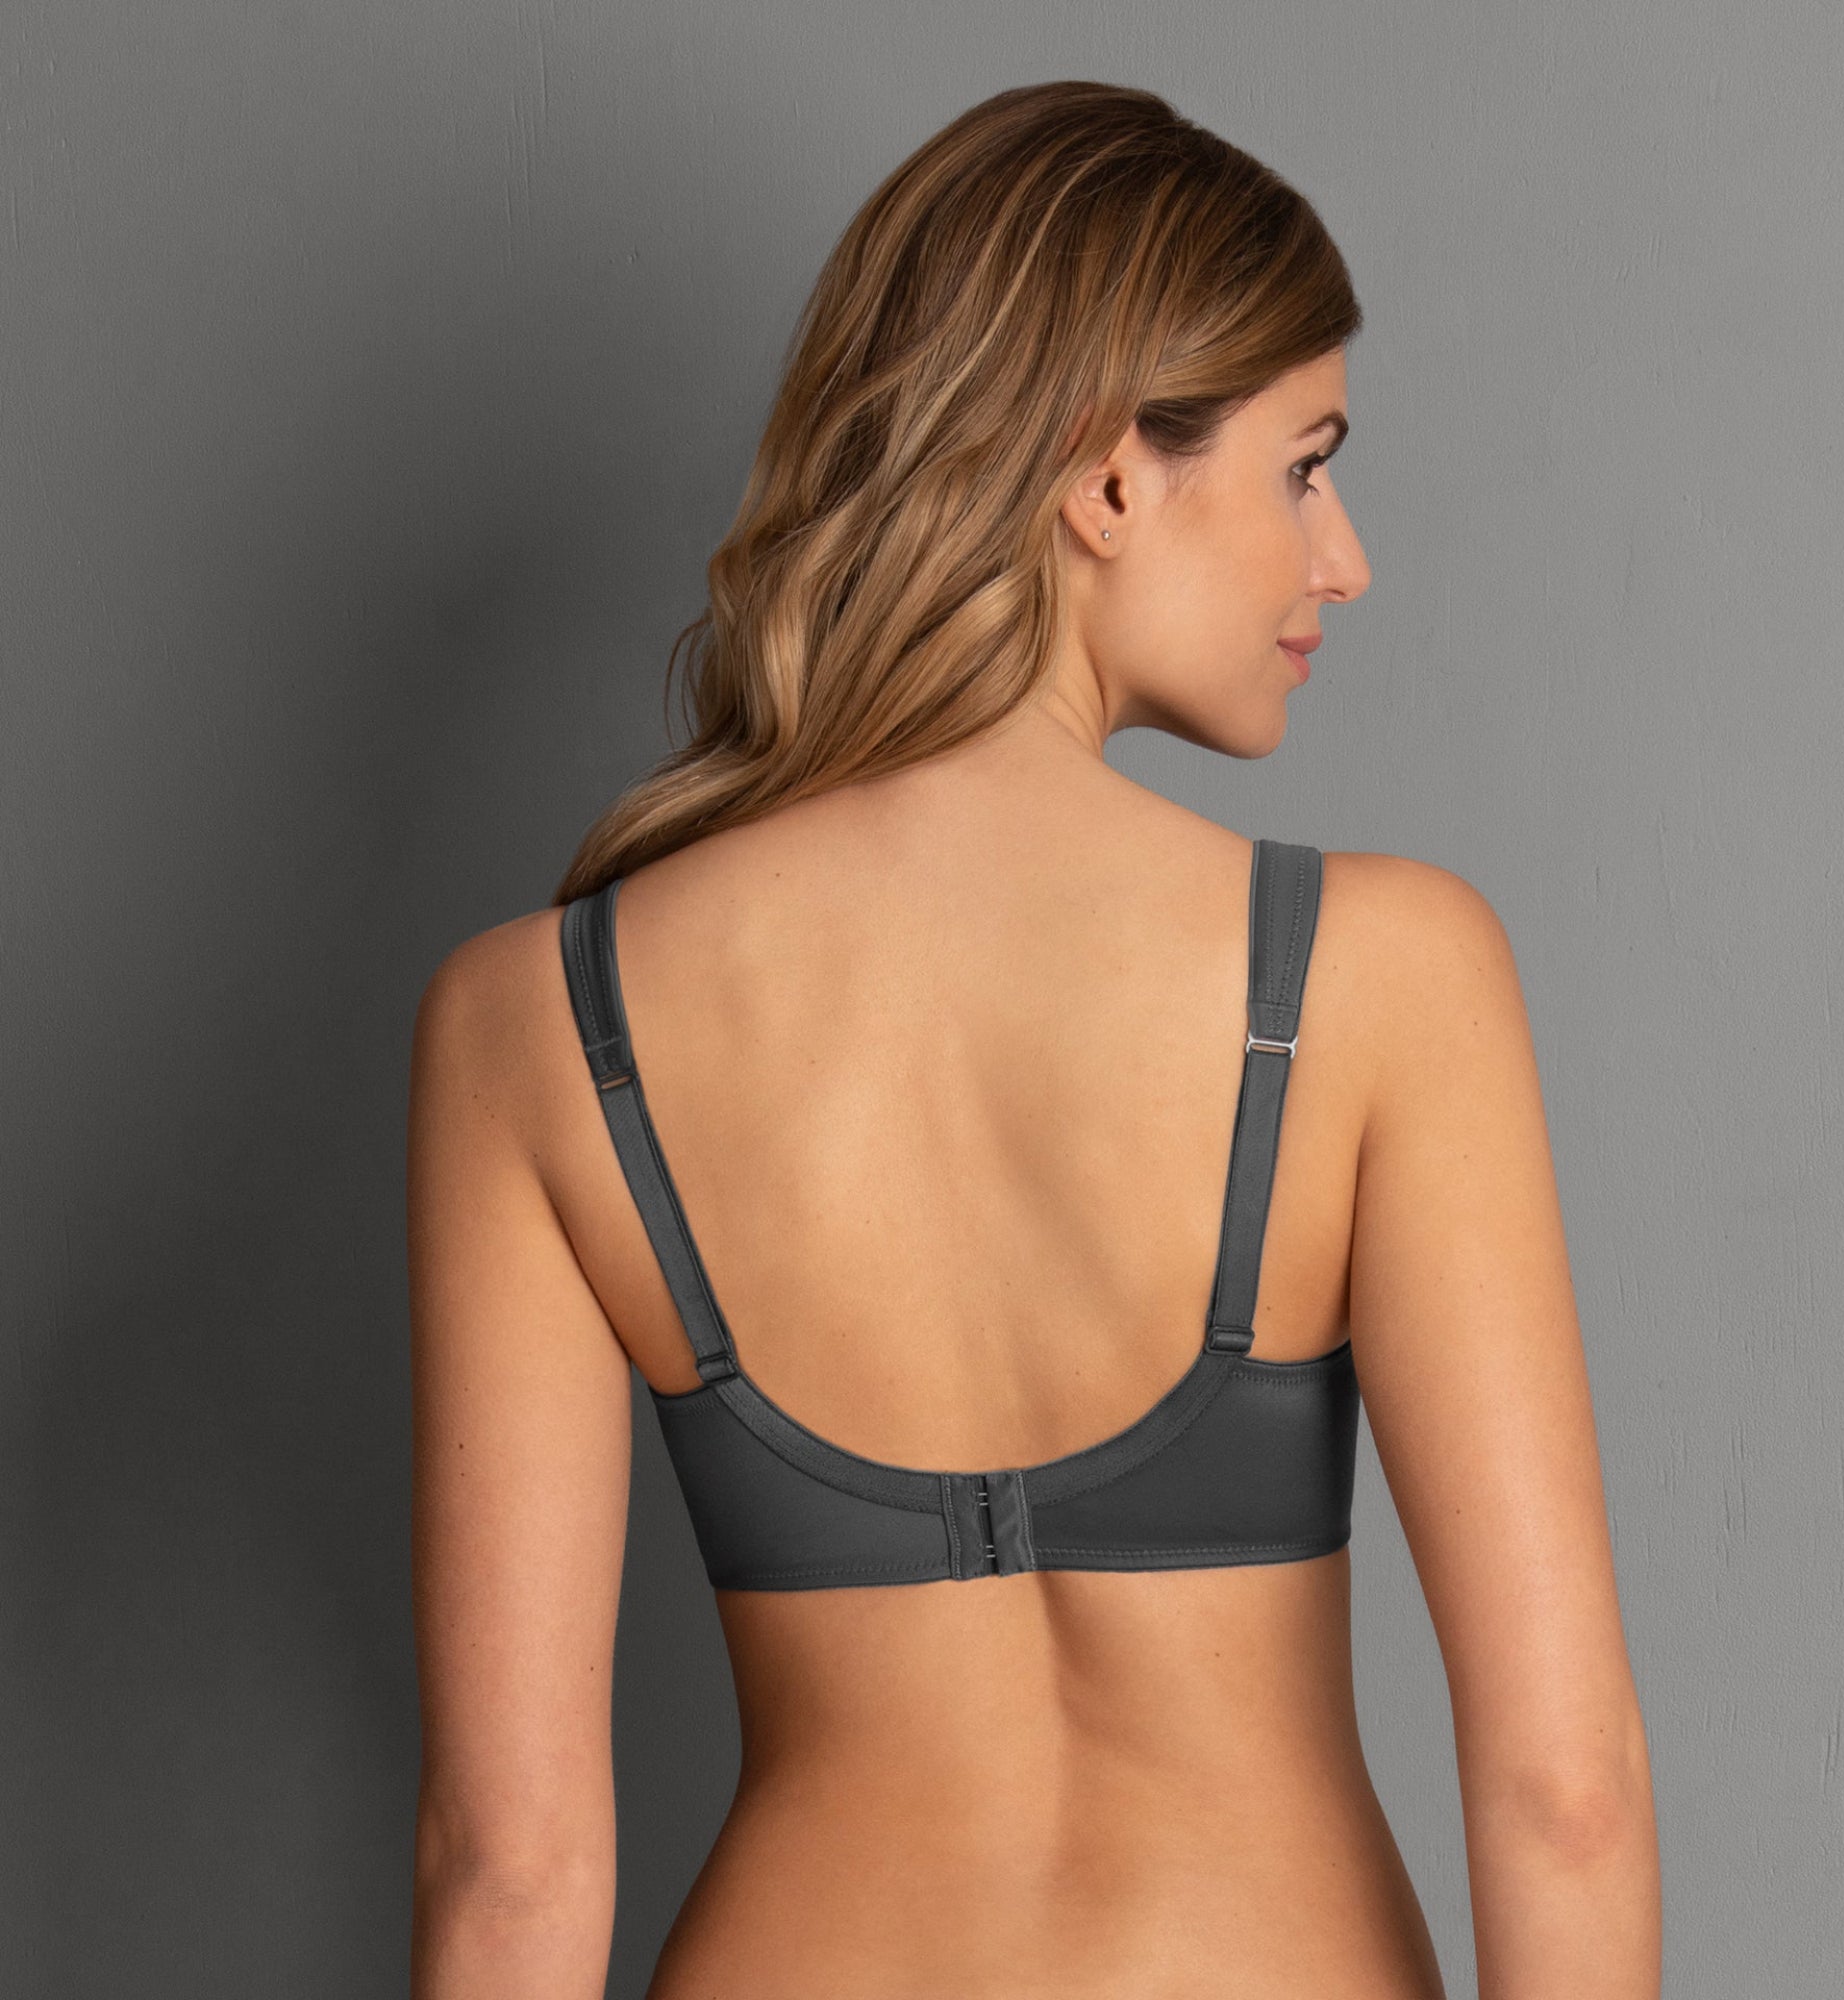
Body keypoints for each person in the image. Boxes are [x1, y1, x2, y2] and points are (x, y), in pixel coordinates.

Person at [406, 78, 1661, 2000]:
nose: (1342, 558)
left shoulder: (538, 1023)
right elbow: (1565, 1796)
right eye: (1304, 467)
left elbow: (511, 1872)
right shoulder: (1381, 977)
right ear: (1109, 481)